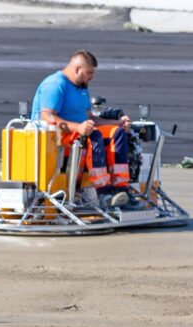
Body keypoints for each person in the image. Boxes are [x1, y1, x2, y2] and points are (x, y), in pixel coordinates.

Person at [30, 50, 133, 208]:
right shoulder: (56, 85)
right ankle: (103, 191)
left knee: (117, 134)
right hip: (57, 138)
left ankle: (121, 190)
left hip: (79, 133)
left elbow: (90, 119)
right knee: (94, 136)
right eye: (89, 73)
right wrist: (78, 127)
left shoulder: (81, 87)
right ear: (78, 69)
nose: (92, 77)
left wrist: (118, 123)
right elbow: (47, 116)